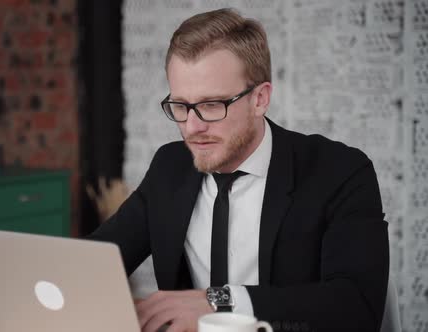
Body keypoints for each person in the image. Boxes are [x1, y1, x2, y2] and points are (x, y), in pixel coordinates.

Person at [89, 8, 388, 332]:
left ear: (260, 99)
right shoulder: (169, 166)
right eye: (180, 105)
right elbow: (99, 260)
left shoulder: (339, 171)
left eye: (211, 105)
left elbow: (357, 305)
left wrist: (220, 300)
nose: (192, 127)